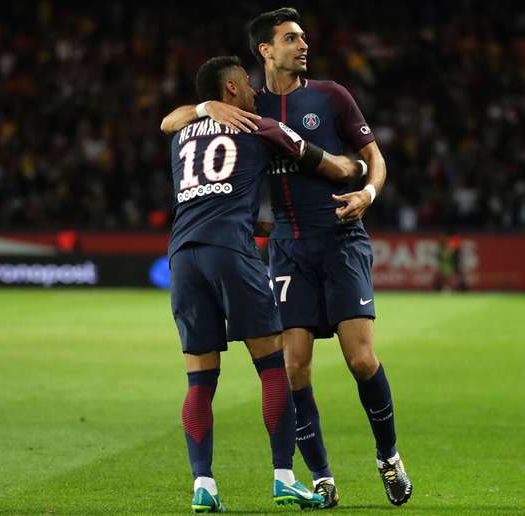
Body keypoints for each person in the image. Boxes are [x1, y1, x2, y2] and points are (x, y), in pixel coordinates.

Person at [161, 7, 412, 508]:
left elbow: (372, 158)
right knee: (293, 369)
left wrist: (368, 191)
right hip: (288, 249)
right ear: (265, 50)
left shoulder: (330, 96)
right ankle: (320, 476)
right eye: (291, 38)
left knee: (360, 359)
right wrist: (208, 107)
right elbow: (172, 118)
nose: (303, 45)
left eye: (303, 38)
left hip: (341, 239)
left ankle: (389, 457)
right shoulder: (248, 108)